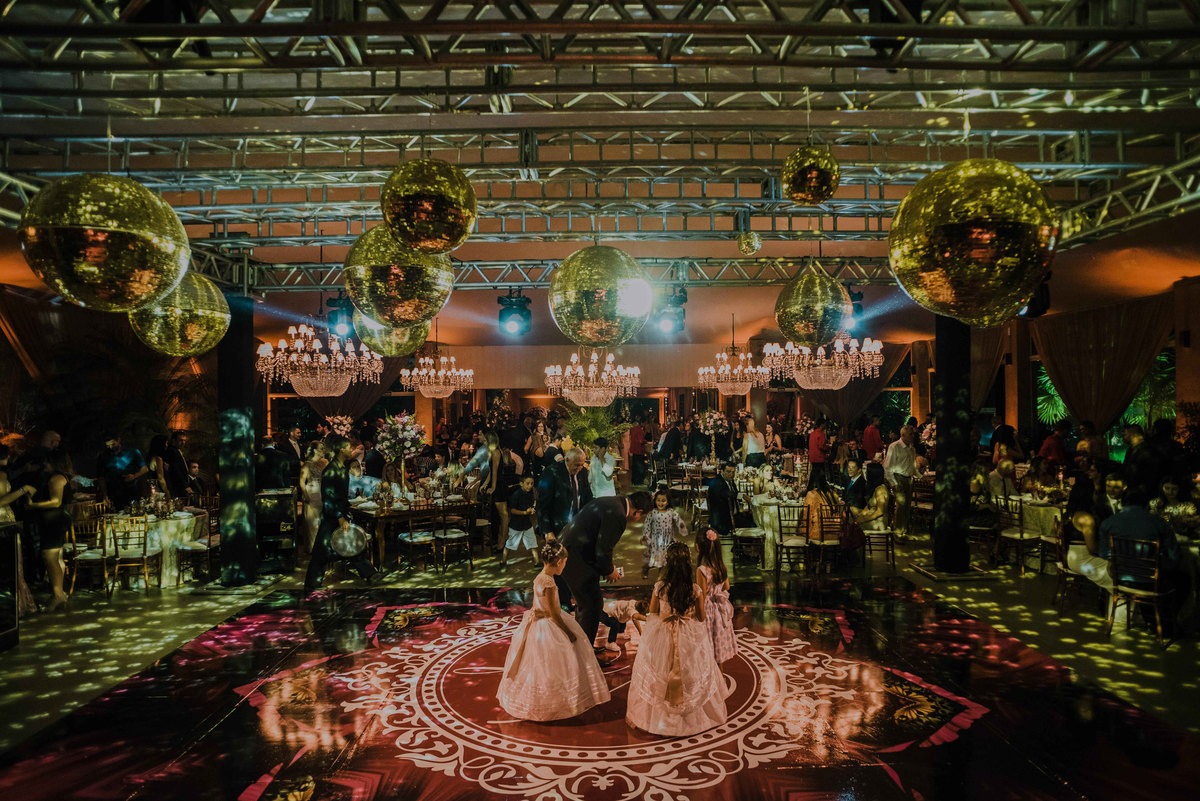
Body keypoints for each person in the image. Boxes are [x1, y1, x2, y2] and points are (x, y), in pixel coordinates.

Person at [495, 540, 612, 721]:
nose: (565, 566)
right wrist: (569, 632)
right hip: (549, 624)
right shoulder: (549, 583)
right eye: (564, 563)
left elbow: (536, 605)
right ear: (558, 562)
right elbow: (555, 614)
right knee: (558, 661)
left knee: (539, 664)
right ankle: (561, 702)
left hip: (538, 623)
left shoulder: (539, 578)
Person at [626, 542, 728, 737]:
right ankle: (691, 717)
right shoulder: (695, 589)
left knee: (661, 670)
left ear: (668, 564)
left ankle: (662, 718)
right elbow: (701, 617)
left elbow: (653, 612)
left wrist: (667, 614)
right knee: (692, 671)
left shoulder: (661, 587)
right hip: (689, 635)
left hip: (664, 634)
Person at [558, 491, 652, 649]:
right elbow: (603, 549)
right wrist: (609, 570)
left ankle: (581, 647)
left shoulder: (612, 501)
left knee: (586, 603)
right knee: (592, 604)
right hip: (576, 558)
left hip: (571, 552)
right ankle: (584, 653)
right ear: (638, 512)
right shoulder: (618, 515)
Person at [303, 435, 379, 593]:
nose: (349, 449)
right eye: (346, 447)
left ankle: (369, 574)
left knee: (351, 544)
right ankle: (311, 584)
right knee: (321, 551)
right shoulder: (331, 471)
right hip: (332, 516)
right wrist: (340, 517)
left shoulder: (342, 468)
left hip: (340, 513)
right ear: (339, 450)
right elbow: (328, 498)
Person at [25, 450, 74, 612]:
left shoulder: (56, 478)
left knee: (49, 556)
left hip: (54, 520)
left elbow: (55, 501)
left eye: (47, 461)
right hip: (57, 520)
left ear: (55, 462)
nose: (44, 464)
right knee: (57, 557)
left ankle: (57, 594)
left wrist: (33, 505)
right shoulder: (59, 477)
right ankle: (60, 593)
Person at [0, 444, 37, 618]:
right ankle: (18, 607)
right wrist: (24, 490)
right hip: (4, 522)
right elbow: (1, 501)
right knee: (14, 565)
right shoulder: (1, 474)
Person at [695, 528, 736, 665]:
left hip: (707, 610)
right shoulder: (721, 565)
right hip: (719, 610)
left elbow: (701, 593)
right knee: (717, 646)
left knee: (706, 646)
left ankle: (709, 682)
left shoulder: (701, 570)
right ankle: (721, 679)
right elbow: (727, 587)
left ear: (698, 547)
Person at [536, 447, 592, 539]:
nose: (579, 468)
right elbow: (542, 504)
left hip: (578, 525)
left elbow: (587, 495)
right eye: (577, 465)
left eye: (582, 465)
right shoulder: (551, 472)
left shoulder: (582, 472)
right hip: (557, 527)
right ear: (567, 459)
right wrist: (547, 531)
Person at [640, 489, 687, 579]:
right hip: (656, 542)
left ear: (668, 502)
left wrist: (681, 525)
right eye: (658, 500)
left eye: (663, 500)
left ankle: (661, 578)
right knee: (654, 559)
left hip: (668, 540)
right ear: (654, 501)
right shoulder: (652, 513)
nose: (660, 503)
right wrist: (646, 536)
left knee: (665, 560)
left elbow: (678, 519)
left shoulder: (671, 512)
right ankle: (646, 568)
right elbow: (647, 525)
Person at [487, 431, 521, 552]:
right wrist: (486, 484)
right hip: (498, 484)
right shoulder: (493, 452)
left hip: (500, 485)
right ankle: (502, 539)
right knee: (500, 514)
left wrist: (493, 487)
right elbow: (491, 471)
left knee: (504, 514)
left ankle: (503, 541)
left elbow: (496, 472)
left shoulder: (496, 452)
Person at [884, 425, 918, 536]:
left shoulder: (911, 448)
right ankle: (898, 532)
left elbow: (912, 466)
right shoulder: (895, 447)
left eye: (913, 434)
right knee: (901, 505)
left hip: (908, 479)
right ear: (902, 435)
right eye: (910, 434)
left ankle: (903, 530)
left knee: (907, 506)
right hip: (898, 477)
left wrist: (920, 475)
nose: (913, 436)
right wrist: (894, 483)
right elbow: (887, 467)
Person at [298, 441, 327, 554]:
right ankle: (313, 549)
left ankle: (321, 547)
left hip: (322, 493)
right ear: (314, 450)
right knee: (312, 525)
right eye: (321, 449)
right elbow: (301, 482)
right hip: (312, 494)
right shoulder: (307, 464)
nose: (322, 451)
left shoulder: (323, 463)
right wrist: (306, 496)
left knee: (320, 523)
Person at [503, 474, 538, 567]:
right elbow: (512, 510)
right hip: (516, 524)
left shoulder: (530, 493)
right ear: (521, 483)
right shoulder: (516, 495)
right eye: (527, 483)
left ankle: (537, 562)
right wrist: (524, 513)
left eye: (532, 483)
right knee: (510, 544)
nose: (530, 486)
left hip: (527, 524)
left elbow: (531, 504)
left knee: (533, 543)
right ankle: (503, 561)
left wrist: (532, 510)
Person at [855, 462, 892, 532]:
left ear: (872, 475)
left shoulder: (880, 489)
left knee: (852, 527)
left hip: (878, 522)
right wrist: (861, 514)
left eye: (867, 472)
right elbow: (868, 506)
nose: (865, 473)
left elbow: (880, 512)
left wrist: (864, 519)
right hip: (872, 517)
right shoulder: (875, 488)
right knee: (852, 516)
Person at [706, 462, 738, 537]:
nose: (731, 474)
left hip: (729, 516)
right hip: (722, 522)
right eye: (728, 472)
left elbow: (735, 493)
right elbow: (732, 495)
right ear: (722, 471)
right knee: (751, 523)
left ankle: (739, 545)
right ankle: (739, 546)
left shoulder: (729, 480)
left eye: (733, 472)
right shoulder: (717, 483)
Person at [164, 430, 190, 499]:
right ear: (174, 440)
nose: (183, 443)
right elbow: (175, 469)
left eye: (184, 440)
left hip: (180, 485)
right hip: (177, 486)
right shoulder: (172, 451)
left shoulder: (176, 451)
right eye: (181, 440)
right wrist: (185, 485)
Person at [807, 420, 830, 488]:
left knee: (815, 473)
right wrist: (828, 447)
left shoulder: (812, 433)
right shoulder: (821, 434)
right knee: (820, 473)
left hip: (812, 456)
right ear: (822, 425)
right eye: (824, 424)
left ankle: (814, 487)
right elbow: (821, 446)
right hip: (819, 457)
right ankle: (821, 488)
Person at [628, 418, 647, 487]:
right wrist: (646, 441)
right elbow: (641, 441)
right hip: (639, 450)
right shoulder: (639, 430)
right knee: (640, 467)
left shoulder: (632, 430)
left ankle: (634, 481)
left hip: (634, 450)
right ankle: (638, 482)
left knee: (635, 466)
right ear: (641, 423)